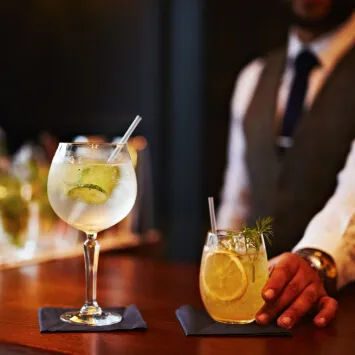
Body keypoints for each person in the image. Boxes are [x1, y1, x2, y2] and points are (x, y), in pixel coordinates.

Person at [217, 0, 355, 329]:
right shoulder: (253, 77)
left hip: (338, 317)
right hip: (259, 313)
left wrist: (316, 261)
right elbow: (238, 200)